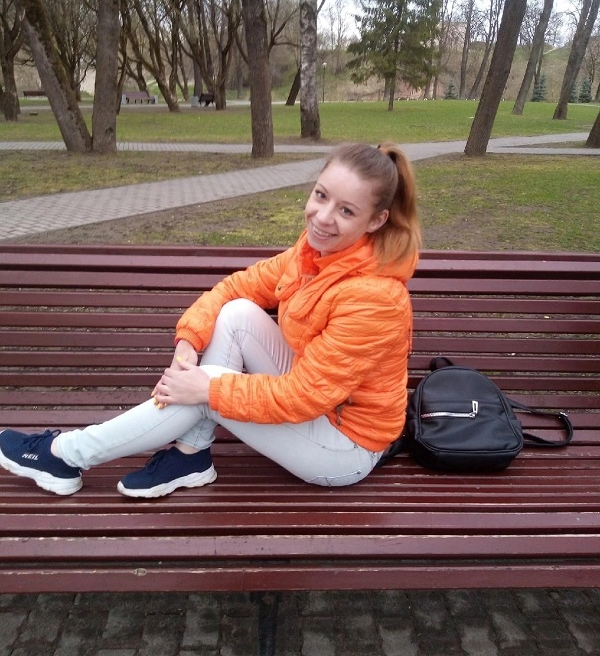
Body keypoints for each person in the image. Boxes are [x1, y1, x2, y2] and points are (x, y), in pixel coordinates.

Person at [0, 142, 420, 498]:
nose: (323, 217)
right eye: (321, 195)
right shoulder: (313, 254)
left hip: (346, 446)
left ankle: (64, 454)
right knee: (235, 314)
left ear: (376, 220)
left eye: (346, 210)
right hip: (319, 404)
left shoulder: (375, 297)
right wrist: (189, 339)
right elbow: (236, 288)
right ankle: (191, 455)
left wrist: (208, 389)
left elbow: (304, 397)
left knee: (208, 386)